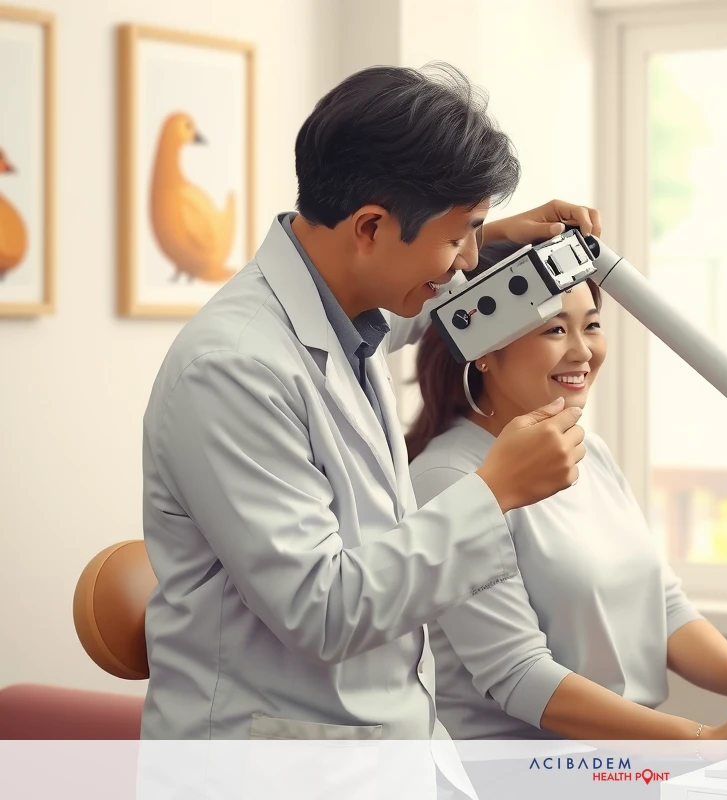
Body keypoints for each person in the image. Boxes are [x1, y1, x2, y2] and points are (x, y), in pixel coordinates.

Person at [139, 63, 604, 751]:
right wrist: (493, 492)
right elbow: (321, 609)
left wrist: (497, 234)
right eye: (458, 238)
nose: (466, 263)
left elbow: (441, 299)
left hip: (380, 744)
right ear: (370, 227)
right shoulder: (232, 369)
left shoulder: (347, 316)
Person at [407, 241, 727, 743]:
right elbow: (520, 675)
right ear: (485, 351)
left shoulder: (586, 450)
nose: (583, 351)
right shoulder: (447, 479)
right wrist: (700, 742)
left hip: (617, 768)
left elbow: (664, 607)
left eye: (592, 325)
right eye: (555, 329)